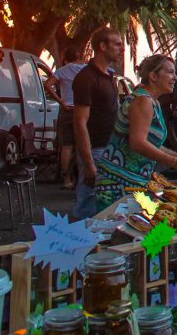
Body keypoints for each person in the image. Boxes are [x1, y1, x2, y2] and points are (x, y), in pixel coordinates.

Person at [94, 56, 177, 208]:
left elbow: (151, 143)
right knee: (127, 229)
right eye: (170, 72)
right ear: (153, 76)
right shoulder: (143, 101)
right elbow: (138, 143)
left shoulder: (153, 101)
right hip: (118, 182)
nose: (175, 77)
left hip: (133, 181)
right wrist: (174, 162)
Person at [72, 28, 124, 219]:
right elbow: (79, 122)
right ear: (102, 46)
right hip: (95, 150)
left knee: (105, 208)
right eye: (117, 44)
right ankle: (81, 245)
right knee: (88, 206)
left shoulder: (108, 76)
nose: (121, 49)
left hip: (109, 149)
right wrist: (88, 163)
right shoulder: (86, 78)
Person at [44, 47, 86, 189]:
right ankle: (81, 179)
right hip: (83, 110)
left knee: (67, 146)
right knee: (82, 145)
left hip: (67, 109)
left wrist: (61, 101)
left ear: (66, 58)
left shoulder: (62, 71)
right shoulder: (86, 69)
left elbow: (48, 84)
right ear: (79, 56)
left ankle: (66, 179)